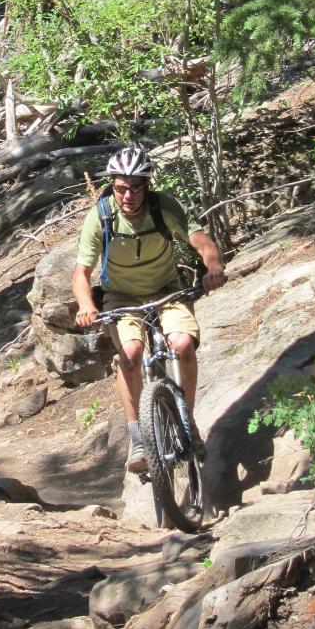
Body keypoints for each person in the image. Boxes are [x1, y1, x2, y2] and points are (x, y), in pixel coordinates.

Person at [71, 143, 226, 473]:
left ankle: (187, 418)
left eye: (136, 187)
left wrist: (213, 268)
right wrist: (86, 304)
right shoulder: (99, 217)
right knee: (130, 353)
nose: (129, 195)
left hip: (166, 290)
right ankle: (138, 437)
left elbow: (203, 244)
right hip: (120, 298)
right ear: (112, 186)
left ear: (147, 185)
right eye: (121, 188)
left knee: (183, 345)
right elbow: (81, 274)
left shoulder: (164, 208)